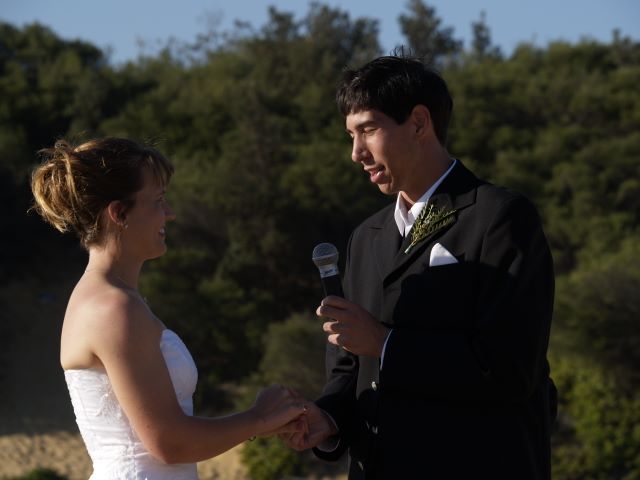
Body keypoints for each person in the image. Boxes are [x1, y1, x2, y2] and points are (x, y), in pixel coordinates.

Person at [282, 55, 557, 479]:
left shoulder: (501, 217)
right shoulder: (365, 237)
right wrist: (329, 417)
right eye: (351, 135)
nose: (356, 153)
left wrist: (385, 343)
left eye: (368, 130)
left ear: (418, 123)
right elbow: (350, 371)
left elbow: (511, 370)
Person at [30, 137, 308, 479]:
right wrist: (259, 418)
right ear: (119, 213)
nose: (170, 213)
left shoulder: (112, 299)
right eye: (158, 201)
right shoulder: (112, 307)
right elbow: (169, 443)